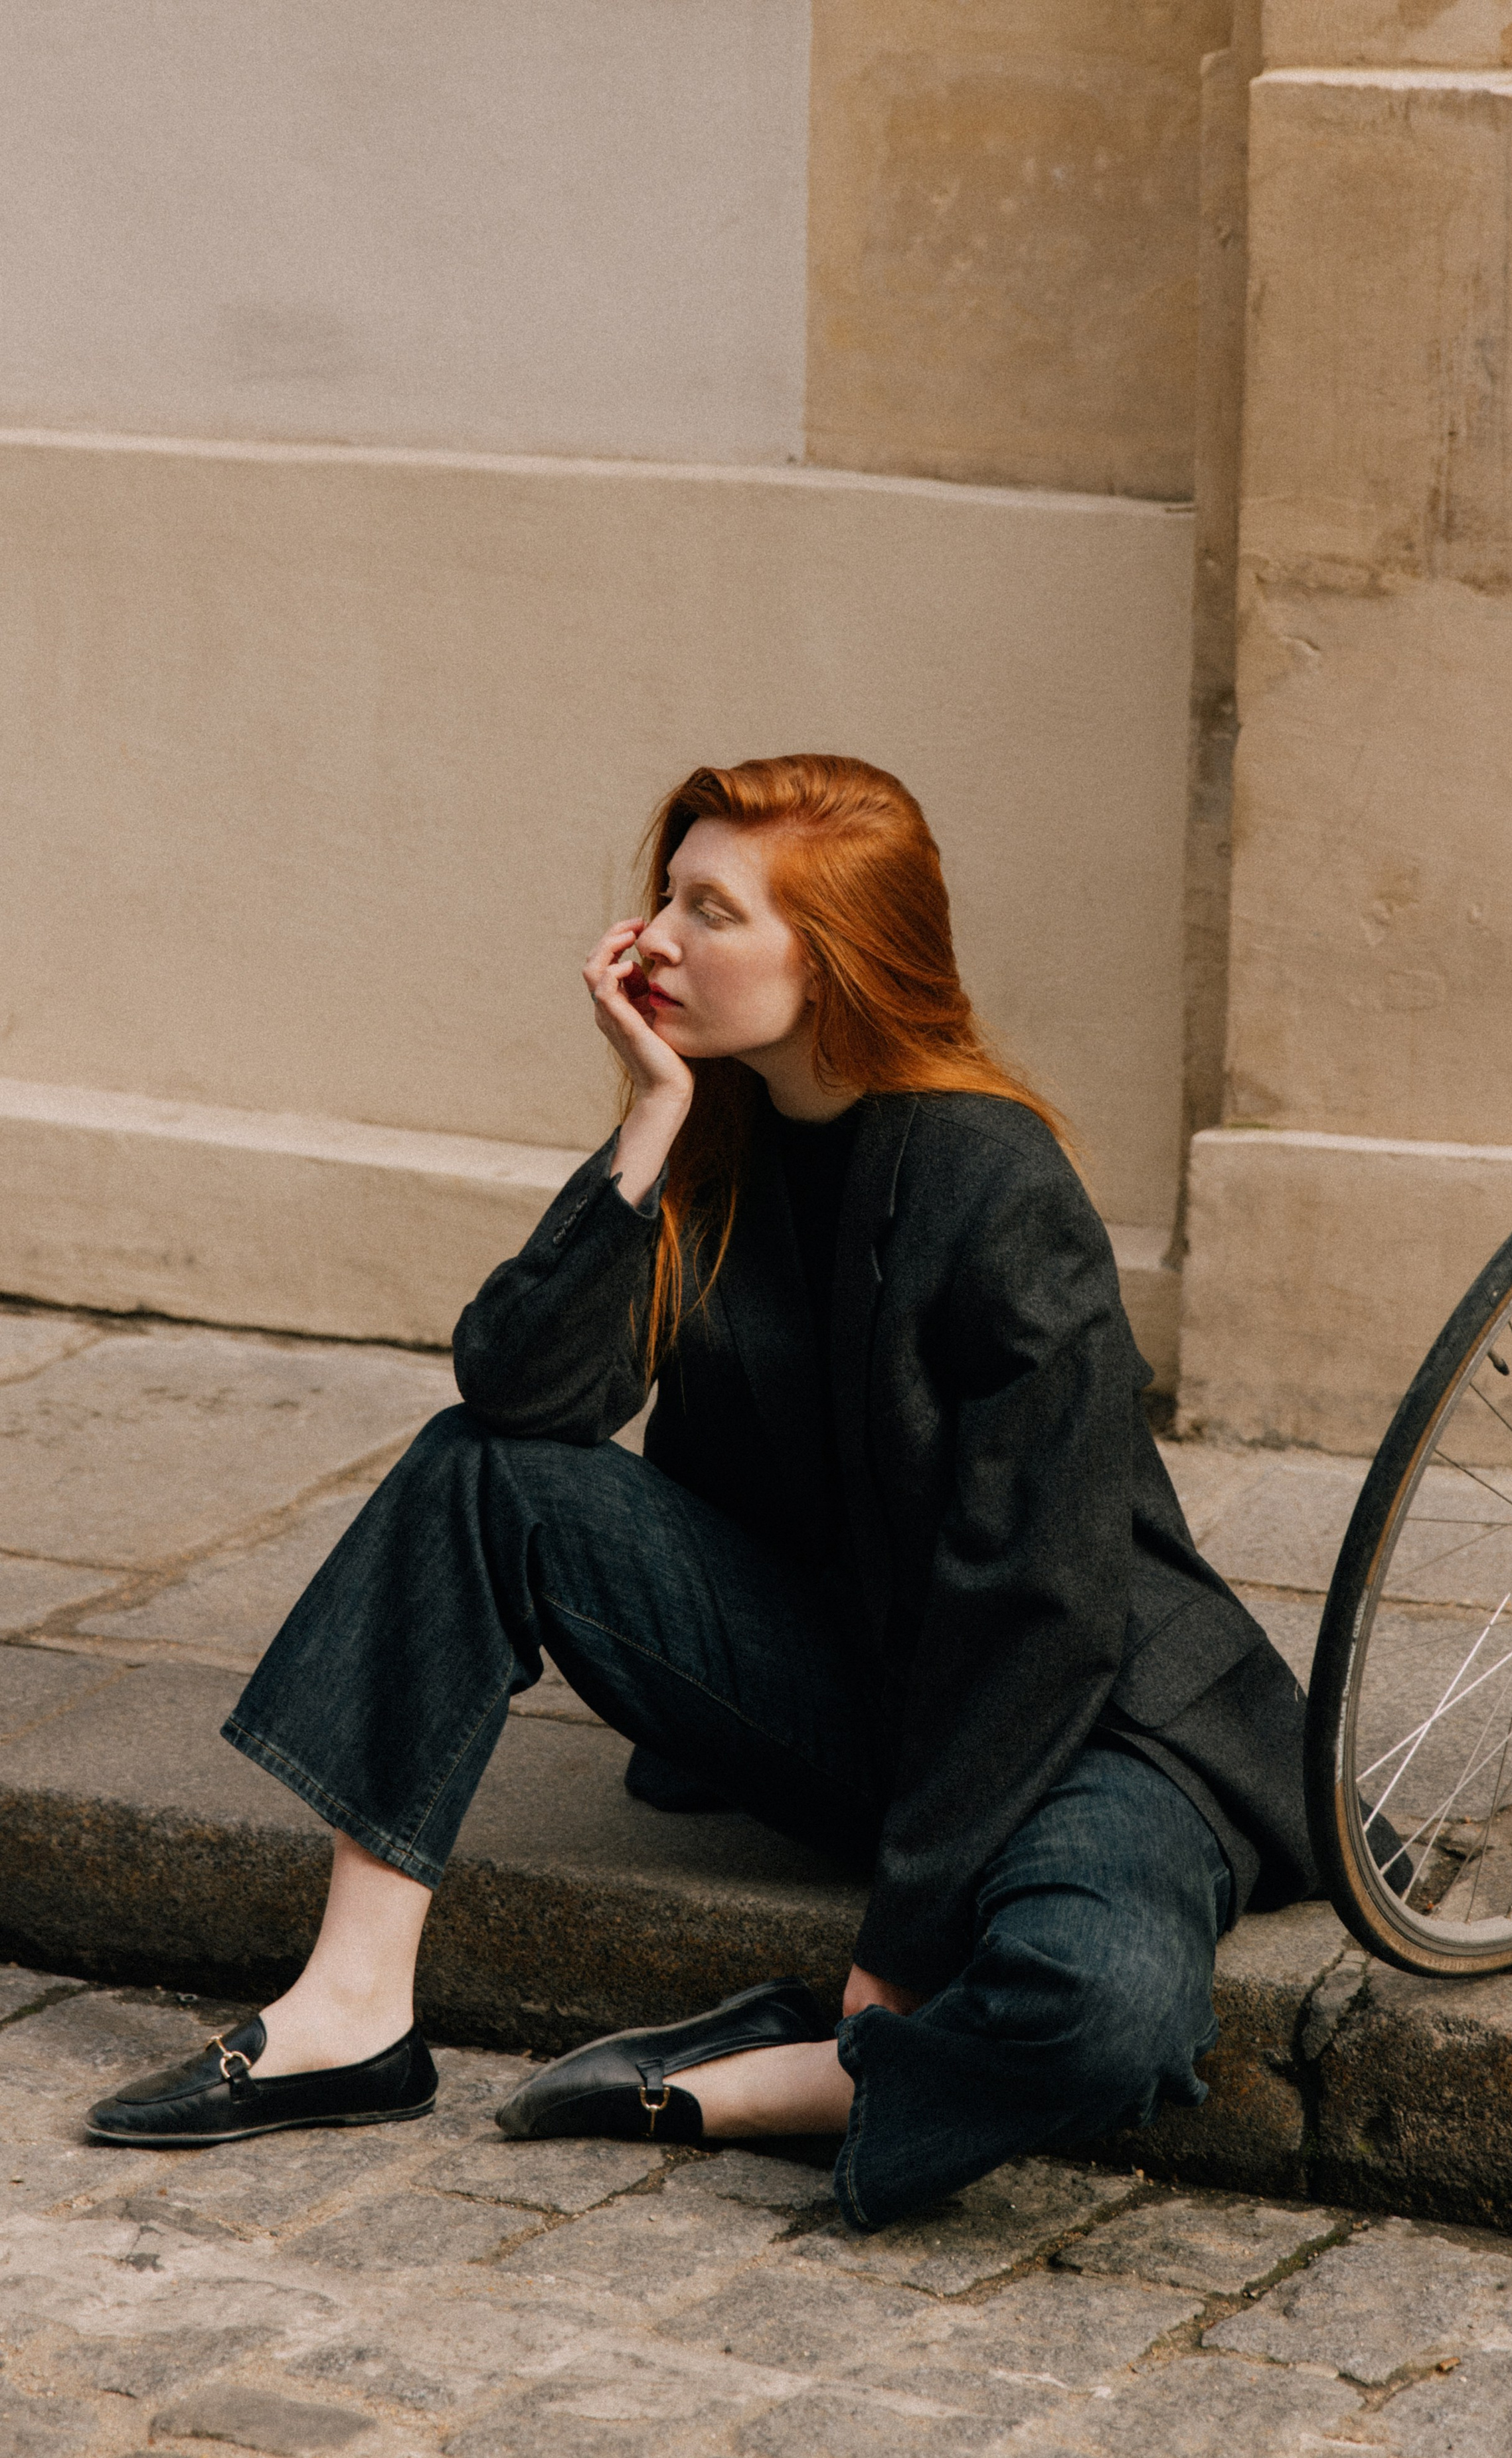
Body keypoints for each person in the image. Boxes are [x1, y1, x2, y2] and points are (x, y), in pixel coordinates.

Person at [85, 754, 1315, 2230]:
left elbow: (1040, 1605)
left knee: (1101, 2003)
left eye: (711, 910)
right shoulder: (713, 1133)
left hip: (1086, 1722)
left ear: (838, 959)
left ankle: (773, 2076)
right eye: (664, 895)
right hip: (854, 1680)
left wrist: (900, 1950)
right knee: (477, 1475)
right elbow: (518, 1395)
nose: (655, 937)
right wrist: (649, 1116)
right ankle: (351, 2006)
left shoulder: (997, 1184)